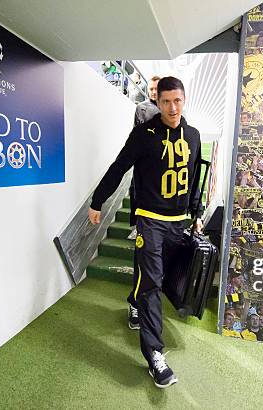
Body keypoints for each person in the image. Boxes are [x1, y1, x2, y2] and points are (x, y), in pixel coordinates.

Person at [88, 76, 203, 388]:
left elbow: (193, 178)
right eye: (166, 101)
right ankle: (154, 354)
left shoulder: (193, 135)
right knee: (151, 283)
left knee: (157, 278)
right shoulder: (143, 134)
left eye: (177, 100)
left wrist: (197, 213)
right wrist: (98, 201)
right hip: (149, 220)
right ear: (157, 101)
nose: (172, 107)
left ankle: (134, 301)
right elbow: (118, 167)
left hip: (178, 222)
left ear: (184, 99)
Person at [126, 76, 162, 330]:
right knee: (142, 257)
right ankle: (135, 304)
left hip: (166, 206)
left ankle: (148, 306)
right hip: (144, 200)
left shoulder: (180, 122)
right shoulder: (142, 111)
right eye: (150, 90)